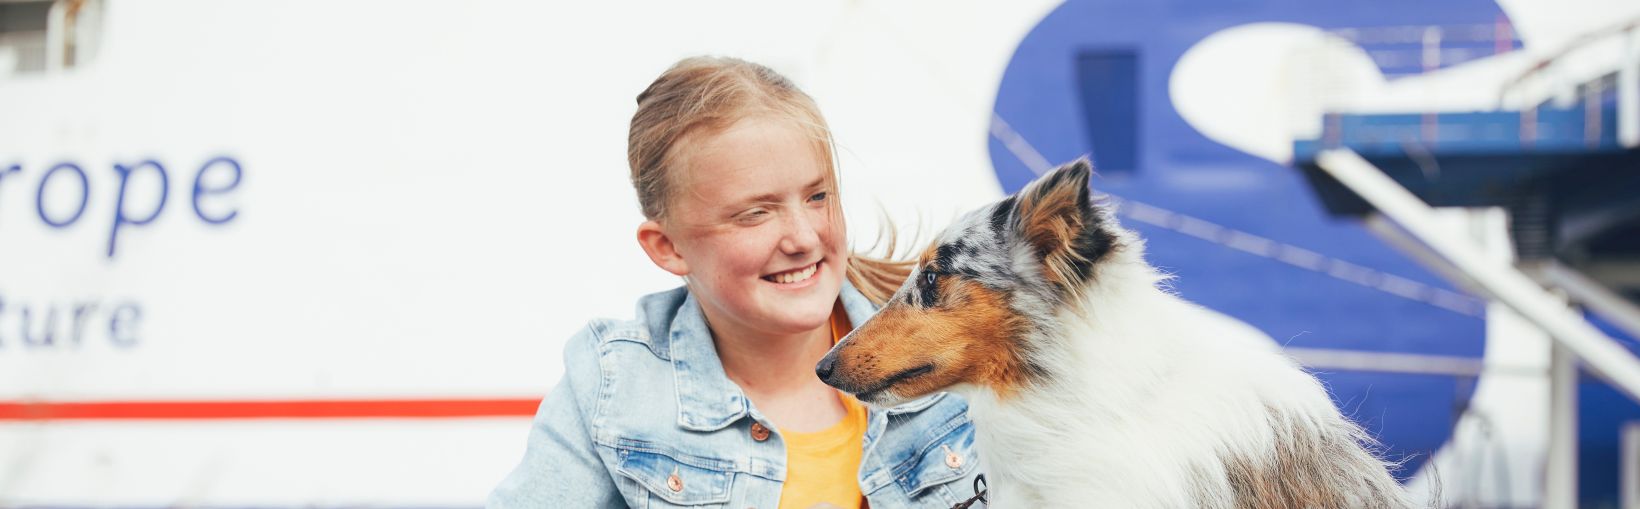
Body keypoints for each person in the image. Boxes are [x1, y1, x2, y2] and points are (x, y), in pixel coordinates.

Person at [488, 56, 982, 509]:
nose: (804, 238)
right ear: (669, 248)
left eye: (817, 196)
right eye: (754, 214)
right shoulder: (614, 386)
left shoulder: (958, 337)